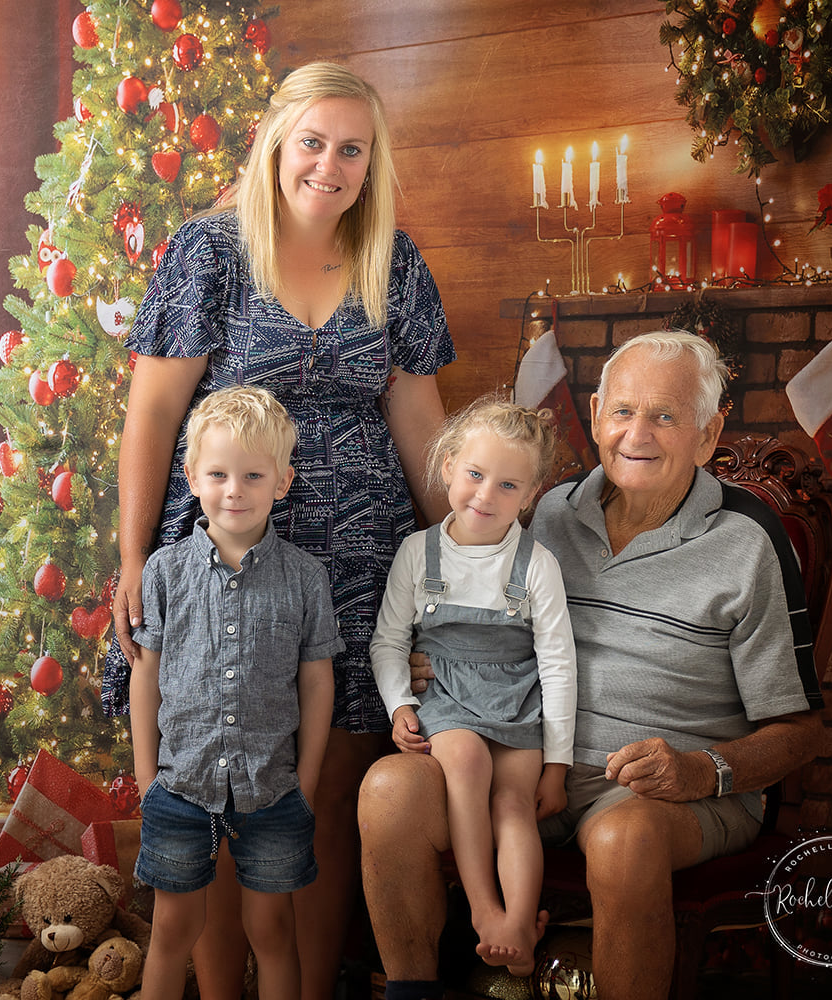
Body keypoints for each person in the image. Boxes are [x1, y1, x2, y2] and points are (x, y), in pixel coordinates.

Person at [104, 61, 455, 998]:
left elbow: (423, 430)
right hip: (224, 554)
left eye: (352, 148)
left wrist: (464, 563)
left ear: (371, 162)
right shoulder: (210, 253)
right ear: (276, 143)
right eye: (313, 141)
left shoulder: (395, 261)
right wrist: (135, 557)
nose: (329, 165)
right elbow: (151, 416)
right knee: (211, 778)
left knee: (324, 792)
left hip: (356, 565)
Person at [359, 331, 825, 1000]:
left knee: (622, 839)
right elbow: (465, 604)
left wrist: (699, 771)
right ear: (598, 411)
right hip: (521, 760)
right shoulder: (545, 511)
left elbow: (801, 731)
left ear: (709, 430)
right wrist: (426, 659)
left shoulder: (746, 542)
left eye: (666, 416)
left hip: (671, 793)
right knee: (389, 791)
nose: (639, 433)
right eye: (624, 411)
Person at [130, 386, 342, 1000]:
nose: (234, 490)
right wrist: (148, 778)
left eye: (253, 475)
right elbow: (147, 676)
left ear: (282, 481)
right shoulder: (165, 572)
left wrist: (306, 779)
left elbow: (316, 680)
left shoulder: (305, 577)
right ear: (193, 476)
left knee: (272, 928)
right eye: (218, 474)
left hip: (272, 788)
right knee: (173, 926)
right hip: (179, 784)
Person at [370, 397, 576, 967]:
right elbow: (388, 641)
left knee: (513, 805)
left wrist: (556, 763)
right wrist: (400, 705)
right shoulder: (419, 553)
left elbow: (558, 661)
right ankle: (483, 907)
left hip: (517, 702)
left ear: (531, 494)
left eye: (508, 486)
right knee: (464, 763)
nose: (486, 496)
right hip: (449, 698)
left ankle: (518, 922)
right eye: (476, 475)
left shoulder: (537, 565)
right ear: (448, 467)